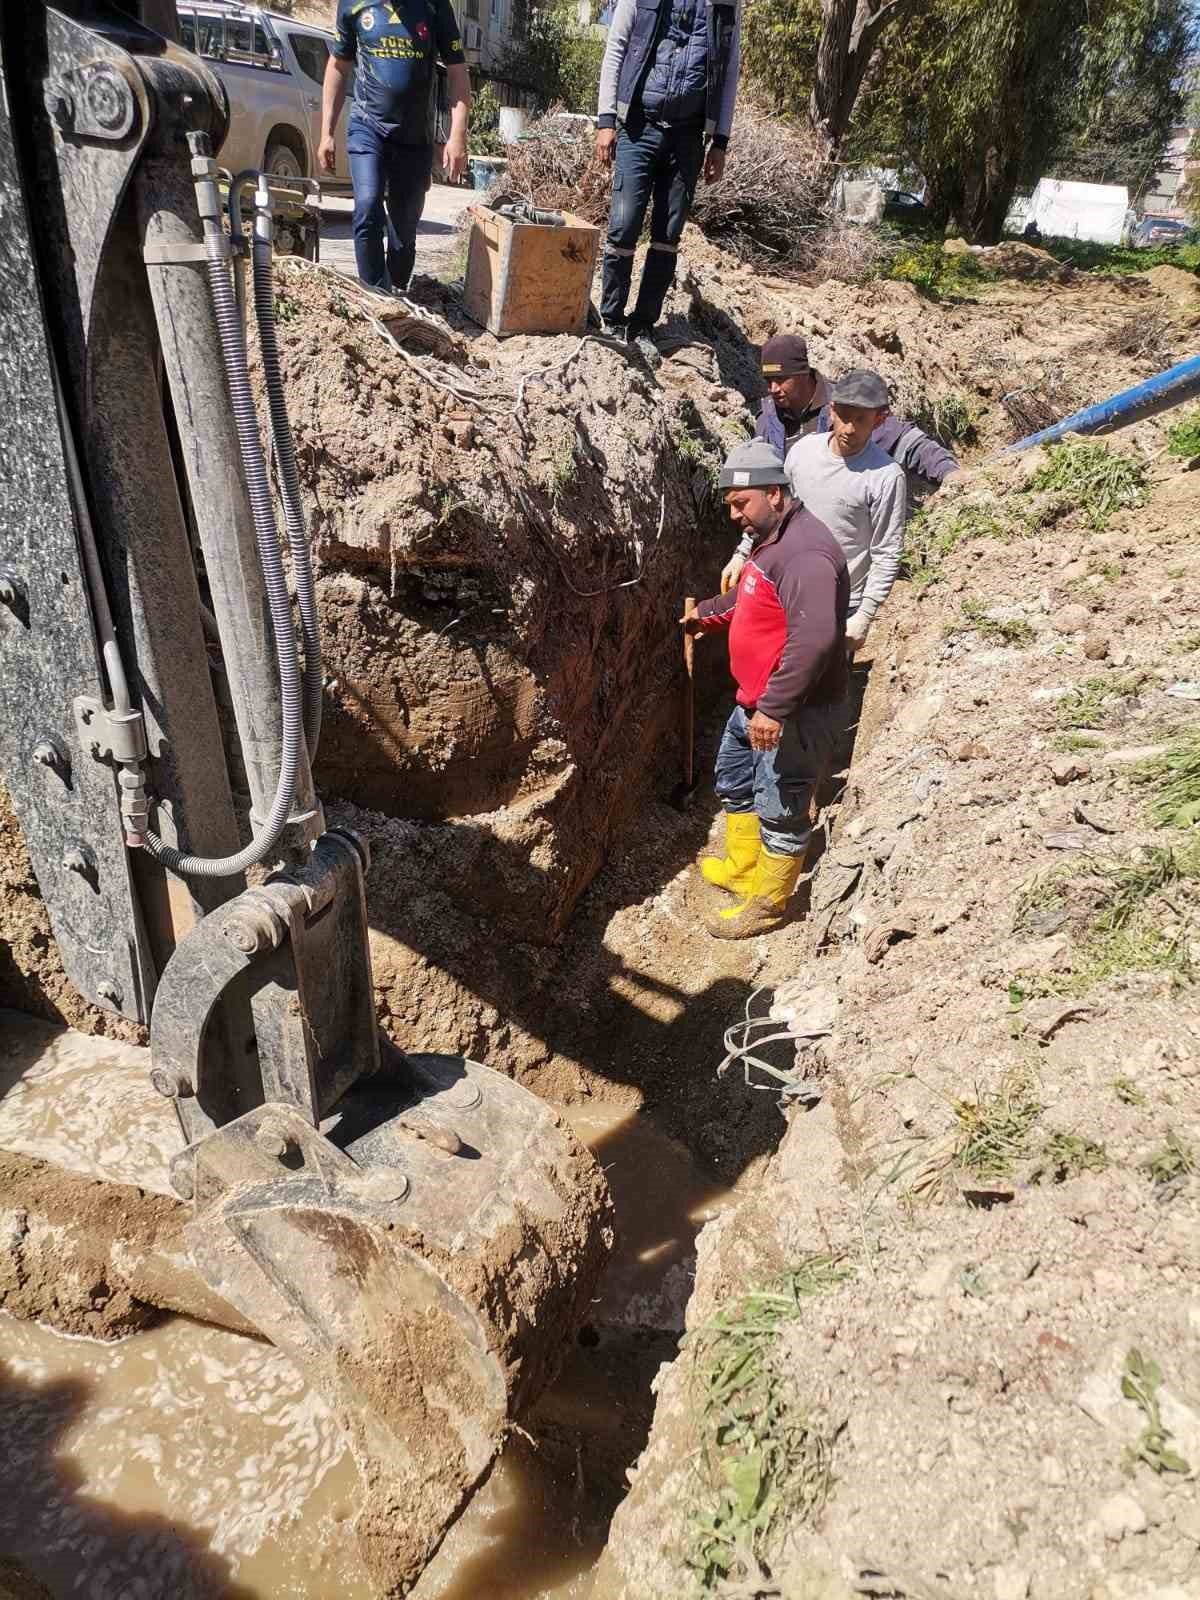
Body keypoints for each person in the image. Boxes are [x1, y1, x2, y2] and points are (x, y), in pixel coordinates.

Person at [682, 440, 849, 940]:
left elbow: (815, 637)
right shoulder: (773, 542)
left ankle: (770, 903)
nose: (735, 515)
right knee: (734, 779)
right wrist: (707, 614)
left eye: (742, 503)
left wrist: (774, 709)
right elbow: (754, 598)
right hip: (754, 700)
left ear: (775, 494)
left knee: (781, 803)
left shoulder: (806, 553)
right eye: (730, 505)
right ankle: (742, 865)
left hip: (791, 711)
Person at [722, 341, 956, 594]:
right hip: (790, 553)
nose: (773, 389)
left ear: (803, 373)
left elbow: (910, 443)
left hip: (845, 558)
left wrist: (949, 471)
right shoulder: (768, 418)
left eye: (782, 379)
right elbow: (764, 497)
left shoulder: (848, 409)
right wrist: (742, 552)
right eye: (768, 381)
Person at [594, 0, 741, 364]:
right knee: (624, 225)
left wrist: (720, 140)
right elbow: (617, 45)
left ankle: (643, 325)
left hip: (688, 137)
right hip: (638, 126)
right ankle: (611, 320)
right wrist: (606, 118)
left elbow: (729, 70)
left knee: (667, 235)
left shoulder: (726, 6)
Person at [320, 0, 471, 295]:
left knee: (403, 234)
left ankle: (396, 288)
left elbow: (457, 72)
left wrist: (457, 137)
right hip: (367, 127)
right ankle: (375, 296)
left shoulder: (434, 6)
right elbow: (339, 65)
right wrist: (326, 132)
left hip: (415, 137)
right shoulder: (353, 5)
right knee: (366, 206)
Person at [781, 369, 907, 656]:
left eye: (861, 419)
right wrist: (744, 551)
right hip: (790, 588)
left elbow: (887, 552)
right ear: (832, 410)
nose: (850, 428)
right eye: (845, 416)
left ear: (880, 419)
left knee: (823, 690)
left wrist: (865, 615)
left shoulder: (885, 477)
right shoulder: (802, 453)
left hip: (841, 602)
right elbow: (778, 514)